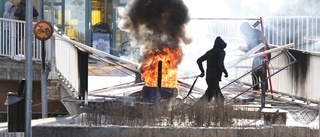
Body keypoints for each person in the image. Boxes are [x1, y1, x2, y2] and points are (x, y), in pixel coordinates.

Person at [196, 36, 228, 105]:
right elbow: (220, 64)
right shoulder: (221, 52)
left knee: (219, 98)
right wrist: (225, 72)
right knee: (208, 97)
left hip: (209, 76)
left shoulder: (209, 52)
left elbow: (199, 61)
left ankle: (220, 114)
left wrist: (202, 71)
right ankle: (194, 109)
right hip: (215, 77)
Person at [240, 22, 271, 91]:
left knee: (261, 72)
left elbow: (253, 48)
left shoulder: (256, 33)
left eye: (243, 31)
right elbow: (251, 49)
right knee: (255, 72)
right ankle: (256, 89)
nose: (243, 33)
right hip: (257, 55)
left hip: (264, 54)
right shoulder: (248, 36)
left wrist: (244, 49)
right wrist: (244, 49)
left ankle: (264, 90)